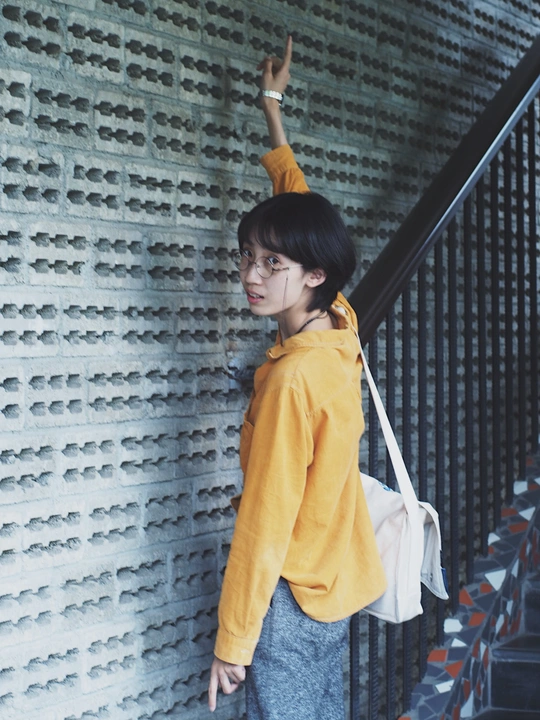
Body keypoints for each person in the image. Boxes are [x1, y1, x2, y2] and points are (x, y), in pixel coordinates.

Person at [207, 36, 386, 719]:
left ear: (313, 273)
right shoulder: (337, 322)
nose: (252, 276)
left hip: (286, 598)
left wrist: (233, 641)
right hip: (332, 579)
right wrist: (271, 107)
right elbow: (299, 205)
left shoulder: (290, 382)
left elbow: (265, 518)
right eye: (247, 256)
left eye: (270, 265)